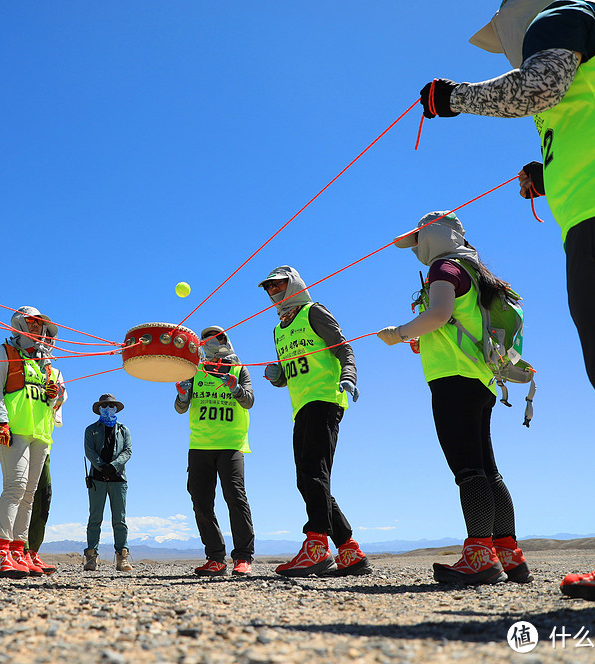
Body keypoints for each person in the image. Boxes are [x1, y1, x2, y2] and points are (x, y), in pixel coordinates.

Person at [419, 0, 595, 607]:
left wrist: (452, 98)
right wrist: (548, 170)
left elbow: (538, 85)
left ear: (517, 18)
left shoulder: (560, 18)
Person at [377, 212, 531, 585]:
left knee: (467, 470)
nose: (416, 250)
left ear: (430, 237)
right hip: (481, 380)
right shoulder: (475, 271)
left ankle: (479, 556)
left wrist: (399, 334)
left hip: (452, 380)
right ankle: (508, 553)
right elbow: (454, 321)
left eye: (417, 242)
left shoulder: (444, 267)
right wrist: (423, 335)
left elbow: (439, 313)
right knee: (487, 469)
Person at [258, 265, 370, 578]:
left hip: (326, 398)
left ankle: (317, 547)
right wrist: (277, 377)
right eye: (268, 288)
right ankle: (349, 551)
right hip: (301, 406)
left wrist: (349, 375)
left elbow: (343, 347)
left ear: (293, 284)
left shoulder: (313, 312)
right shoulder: (279, 328)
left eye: (278, 285)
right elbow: (290, 370)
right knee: (309, 478)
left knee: (312, 473)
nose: (272, 292)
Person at [0, 306, 61, 579]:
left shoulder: (45, 363)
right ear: (18, 323)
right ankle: (0, 554)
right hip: (14, 430)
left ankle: (18, 551)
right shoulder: (2, 352)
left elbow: (49, 401)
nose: (37, 328)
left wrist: (53, 395)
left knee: (29, 495)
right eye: (32, 323)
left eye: (41, 324)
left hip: (41, 433)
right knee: (14, 488)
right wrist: (0, 422)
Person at [174, 325, 256, 576]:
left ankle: (243, 557)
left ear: (225, 339)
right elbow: (180, 408)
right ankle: (216, 557)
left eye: (216, 337)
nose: (211, 342)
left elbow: (249, 401)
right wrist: (183, 395)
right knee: (201, 501)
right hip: (200, 444)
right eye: (206, 339)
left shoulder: (239, 369)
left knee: (235, 497)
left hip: (231, 444)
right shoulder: (193, 369)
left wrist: (235, 388)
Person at [26, 328, 67, 576]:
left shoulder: (55, 371)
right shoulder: (16, 360)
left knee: (43, 496)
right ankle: (16, 549)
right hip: (19, 436)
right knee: (21, 494)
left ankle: (32, 551)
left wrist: (55, 394)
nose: (44, 339)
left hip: (44, 440)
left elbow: (61, 398)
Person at [84, 393, 132, 572]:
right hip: (97, 479)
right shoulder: (91, 430)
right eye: (104, 406)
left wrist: (114, 466)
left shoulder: (124, 430)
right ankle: (91, 558)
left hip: (118, 479)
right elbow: (89, 450)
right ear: (99, 409)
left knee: (119, 519)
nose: (108, 409)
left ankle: (122, 558)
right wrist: (102, 466)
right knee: (95, 518)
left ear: (116, 408)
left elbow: (128, 450)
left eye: (111, 406)